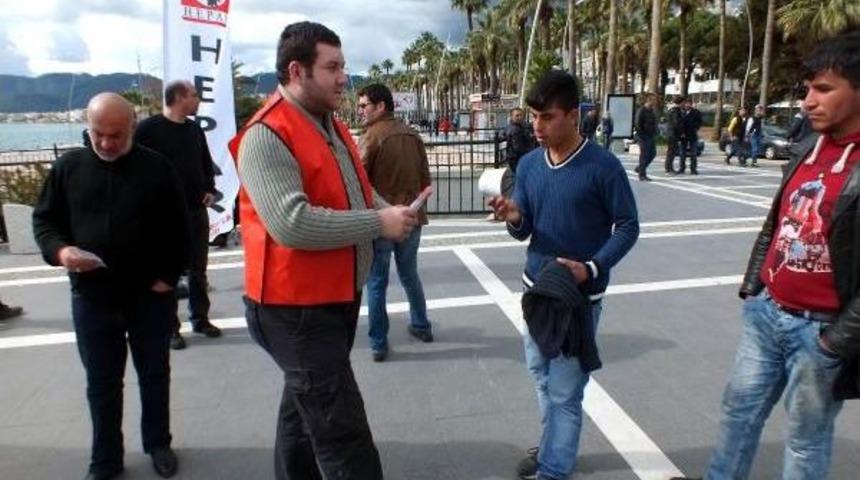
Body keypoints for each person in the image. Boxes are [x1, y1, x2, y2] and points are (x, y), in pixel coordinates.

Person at [230, 22, 418, 480]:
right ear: (297, 70)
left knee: (300, 414)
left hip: (326, 302)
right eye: (332, 68)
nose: (343, 79)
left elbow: (355, 187)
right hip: (295, 313)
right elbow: (290, 223)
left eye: (343, 67)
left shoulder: (328, 122)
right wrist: (379, 222)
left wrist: (387, 210)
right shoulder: (266, 135)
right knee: (343, 437)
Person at [672, 31, 860, 480]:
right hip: (767, 314)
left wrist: (835, 341)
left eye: (824, 89)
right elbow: (776, 224)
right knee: (737, 416)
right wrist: (754, 286)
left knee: (804, 442)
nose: (807, 101)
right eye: (807, 88)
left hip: (821, 331)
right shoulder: (806, 150)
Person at [488, 71, 639, 480]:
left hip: (579, 300)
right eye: (534, 116)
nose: (536, 126)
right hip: (536, 292)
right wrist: (514, 216)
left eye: (547, 117)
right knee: (540, 376)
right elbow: (525, 226)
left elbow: (628, 226)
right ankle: (553, 444)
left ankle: (553, 469)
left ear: (573, 116)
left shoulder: (603, 166)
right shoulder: (530, 164)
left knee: (565, 392)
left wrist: (591, 267)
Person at [32, 93, 189, 480]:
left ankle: (158, 442)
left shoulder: (156, 168)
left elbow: (180, 230)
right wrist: (62, 251)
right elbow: (45, 221)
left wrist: (167, 278)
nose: (105, 143)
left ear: (132, 127)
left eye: (115, 135)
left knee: (154, 373)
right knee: (101, 382)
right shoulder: (69, 167)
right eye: (97, 134)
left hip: (149, 297)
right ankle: (105, 458)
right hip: (93, 297)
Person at [135, 80, 221, 350]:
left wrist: (210, 188)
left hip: (196, 212)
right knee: (167, 272)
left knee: (198, 271)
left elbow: (205, 162)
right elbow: (134, 165)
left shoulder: (195, 130)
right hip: (163, 215)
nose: (198, 100)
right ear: (180, 97)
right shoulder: (148, 130)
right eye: (194, 95)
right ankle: (170, 328)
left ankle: (200, 319)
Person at [357, 83, 433, 362]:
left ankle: (378, 342)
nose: (360, 110)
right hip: (413, 217)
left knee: (376, 281)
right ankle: (421, 324)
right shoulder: (413, 135)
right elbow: (426, 182)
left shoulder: (371, 137)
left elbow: (359, 181)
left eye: (364, 105)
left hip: (384, 221)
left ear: (380, 106)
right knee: (409, 274)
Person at [503, 107, 536, 174]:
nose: (520, 117)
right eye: (517, 115)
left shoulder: (520, 126)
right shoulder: (514, 130)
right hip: (516, 159)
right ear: (512, 117)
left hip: (518, 158)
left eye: (521, 115)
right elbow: (518, 148)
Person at [634, 93, 658, 181]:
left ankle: (640, 168)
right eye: (653, 100)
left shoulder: (651, 111)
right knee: (644, 155)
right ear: (649, 100)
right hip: (643, 136)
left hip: (650, 135)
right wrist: (641, 134)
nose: (655, 102)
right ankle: (642, 175)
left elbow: (654, 123)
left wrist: (655, 131)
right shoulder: (642, 110)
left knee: (653, 153)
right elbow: (637, 124)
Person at [680, 98, 702, 175]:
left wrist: (696, 128)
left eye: (689, 103)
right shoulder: (681, 112)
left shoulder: (696, 112)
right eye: (686, 103)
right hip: (683, 135)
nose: (687, 105)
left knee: (693, 153)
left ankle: (693, 169)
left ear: (691, 104)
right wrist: (681, 132)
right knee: (682, 153)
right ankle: (682, 168)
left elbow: (699, 122)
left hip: (693, 134)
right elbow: (679, 123)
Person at [665, 96, 685, 174]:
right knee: (671, 152)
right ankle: (669, 168)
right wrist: (681, 133)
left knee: (671, 151)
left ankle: (669, 167)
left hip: (671, 133)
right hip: (673, 134)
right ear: (681, 102)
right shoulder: (676, 111)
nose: (684, 104)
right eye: (683, 102)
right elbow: (677, 123)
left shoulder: (672, 110)